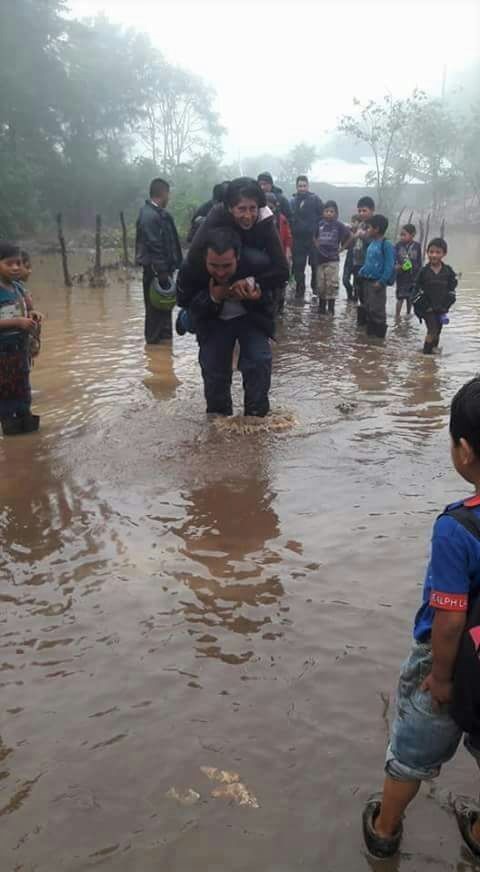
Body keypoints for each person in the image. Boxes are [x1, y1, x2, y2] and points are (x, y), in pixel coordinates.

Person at [363, 376, 480, 861]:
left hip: (452, 665)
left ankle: (385, 829)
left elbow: (448, 619)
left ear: (465, 451)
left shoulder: (458, 527)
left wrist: (440, 676)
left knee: (412, 752)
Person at [178, 228, 274, 417]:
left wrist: (257, 295)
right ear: (204, 259)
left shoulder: (259, 265)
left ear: (238, 257)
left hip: (250, 320)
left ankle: (257, 420)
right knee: (214, 374)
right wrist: (213, 297)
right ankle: (217, 426)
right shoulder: (191, 269)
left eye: (227, 266)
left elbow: (274, 305)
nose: (220, 272)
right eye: (214, 265)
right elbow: (186, 303)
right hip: (212, 321)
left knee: (259, 362)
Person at [135, 177, 182, 344]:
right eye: (168, 194)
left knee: (165, 307)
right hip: (155, 272)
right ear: (163, 193)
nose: (169, 198)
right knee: (155, 311)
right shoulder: (149, 216)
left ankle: (164, 350)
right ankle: (154, 347)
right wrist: (161, 271)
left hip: (164, 271)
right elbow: (154, 244)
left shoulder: (159, 214)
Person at [0, 242, 41, 435]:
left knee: (24, 390)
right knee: (6, 395)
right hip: (3, 355)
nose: (16, 267)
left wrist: (33, 314)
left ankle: (27, 437)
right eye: (9, 263)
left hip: (20, 352)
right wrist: (17, 322)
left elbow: (27, 310)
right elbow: (16, 319)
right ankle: (11, 434)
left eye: (18, 263)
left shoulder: (18, 288)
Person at [413, 238, 457, 355]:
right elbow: (416, 290)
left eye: (438, 252)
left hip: (441, 308)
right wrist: (425, 306)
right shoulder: (423, 271)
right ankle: (426, 355)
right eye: (431, 252)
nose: (434, 255)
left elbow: (452, 290)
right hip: (427, 308)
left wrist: (446, 305)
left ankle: (433, 353)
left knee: (438, 331)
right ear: (427, 253)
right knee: (432, 330)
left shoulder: (448, 271)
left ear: (444, 254)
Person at [358, 214, 395, 338]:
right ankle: (370, 341)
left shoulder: (386, 244)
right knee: (368, 308)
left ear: (377, 229)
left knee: (377, 311)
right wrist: (361, 272)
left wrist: (382, 281)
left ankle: (379, 341)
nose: (367, 230)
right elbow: (368, 261)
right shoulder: (372, 243)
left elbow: (389, 266)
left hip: (377, 283)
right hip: (366, 281)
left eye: (369, 227)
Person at [314, 200, 352, 315]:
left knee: (331, 284)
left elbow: (350, 236)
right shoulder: (319, 224)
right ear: (323, 212)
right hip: (320, 259)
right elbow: (313, 235)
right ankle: (321, 308)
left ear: (336, 213)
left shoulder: (339, 225)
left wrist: (342, 248)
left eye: (332, 211)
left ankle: (331, 309)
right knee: (320, 285)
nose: (329, 213)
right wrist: (316, 245)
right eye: (327, 211)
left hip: (333, 259)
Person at [290, 175, 323, 296]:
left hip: (313, 238)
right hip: (298, 239)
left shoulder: (315, 199)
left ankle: (315, 287)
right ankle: (300, 289)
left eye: (304, 186)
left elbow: (322, 216)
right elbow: (289, 218)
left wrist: (318, 233)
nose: (302, 188)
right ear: (296, 187)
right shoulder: (292, 201)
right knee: (299, 265)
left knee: (315, 264)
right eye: (300, 186)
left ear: (308, 186)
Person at [266, 192, 292, 314]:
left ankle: (280, 306)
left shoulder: (282, 220)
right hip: (266, 258)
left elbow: (288, 238)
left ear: (276, 206)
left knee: (281, 283)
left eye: (271, 208)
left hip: (280, 256)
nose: (269, 210)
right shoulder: (260, 219)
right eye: (266, 207)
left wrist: (287, 253)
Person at [395, 224, 422, 318]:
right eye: (401, 235)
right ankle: (397, 316)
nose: (401, 237)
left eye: (404, 234)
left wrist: (419, 275)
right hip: (401, 276)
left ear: (412, 234)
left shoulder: (417, 246)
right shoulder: (398, 245)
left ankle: (408, 314)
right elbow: (394, 259)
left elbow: (419, 261)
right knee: (400, 297)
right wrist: (397, 267)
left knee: (410, 297)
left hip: (413, 276)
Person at [352, 196, 375, 304]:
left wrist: (363, 236)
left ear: (372, 210)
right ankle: (362, 317)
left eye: (364, 210)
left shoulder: (375, 226)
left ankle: (370, 317)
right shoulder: (361, 224)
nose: (361, 213)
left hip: (369, 264)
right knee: (359, 290)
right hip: (358, 262)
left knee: (369, 293)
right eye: (359, 211)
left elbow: (376, 243)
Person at [342, 214, 361, 300]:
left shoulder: (363, 234)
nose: (353, 224)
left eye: (355, 222)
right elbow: (344, 244)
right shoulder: (348, 231)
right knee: (345, 280)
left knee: (357, 283)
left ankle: (354, 302)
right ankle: (349, 294)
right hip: (349, 259)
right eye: (352, 222)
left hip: (360, 261)